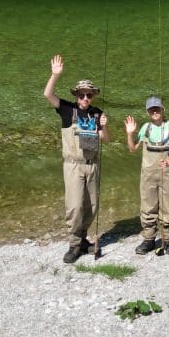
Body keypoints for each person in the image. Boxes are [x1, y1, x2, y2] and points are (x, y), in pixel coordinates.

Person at [43, 54, 109, 264]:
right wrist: (55, 75)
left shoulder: (98, 113)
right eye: (81, 95)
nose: (85, 99)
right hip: (73, 166)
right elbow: (48, 95)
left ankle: (82, 240)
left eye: (88, 95)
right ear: (76, 95)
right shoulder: (66, 110)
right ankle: (73, 244)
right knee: (74, 207)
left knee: (92, 206)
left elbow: (106, 139)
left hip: (93, 166)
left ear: (93, 96)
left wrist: (105, 126)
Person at [125, 96, 169, 255]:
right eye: (152, 109)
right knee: (148, 206)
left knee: (167, 207)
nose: (155, 111)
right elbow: (132, 149)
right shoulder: (145, 128)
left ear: (163, 109)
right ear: (148, 112)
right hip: (148, 175)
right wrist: (130, 134)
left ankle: (168, 240)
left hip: (168, 174)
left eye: (157, 108)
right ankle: (149, 240)